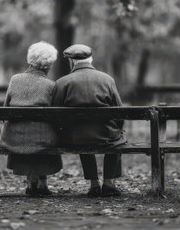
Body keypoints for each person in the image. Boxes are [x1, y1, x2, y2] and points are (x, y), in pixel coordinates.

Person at [52, 44, 126, 197]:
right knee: (118, 137)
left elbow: (55, 114)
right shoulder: (107, 80)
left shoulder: (62, 82)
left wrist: (64, 131)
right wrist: (118, 128)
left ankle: (93, 184)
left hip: (75, 137)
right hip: (107, 136)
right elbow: (120, 111)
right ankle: (108, 182)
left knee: (82, 133)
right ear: (91, 60)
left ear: (71, 62)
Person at [0, 41, 62, 196]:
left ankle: (30, 182)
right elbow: (56, 117)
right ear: (49, 65)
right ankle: (42, 183)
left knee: (29, 131)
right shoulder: (51, 85)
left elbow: (5, 108)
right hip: (43, 140)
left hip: (14, 138)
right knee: (43, 132)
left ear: (30, 59)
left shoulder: (15, 80)